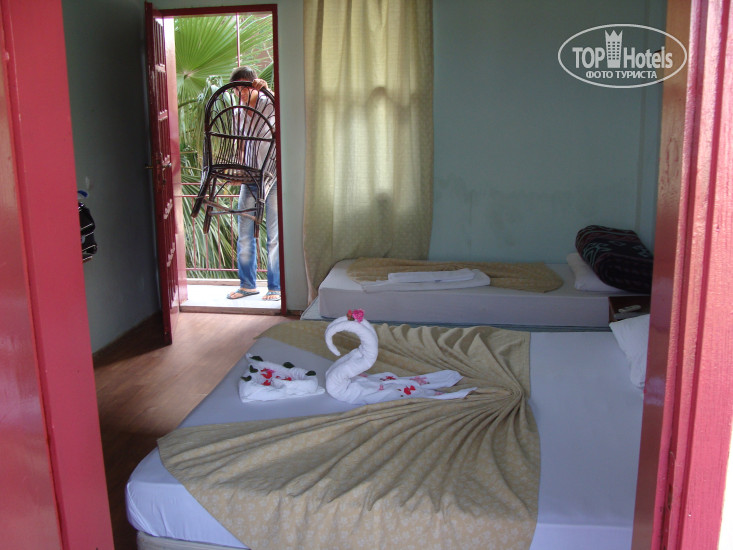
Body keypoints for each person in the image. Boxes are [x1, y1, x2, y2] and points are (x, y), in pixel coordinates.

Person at [226, 66, 280, 301]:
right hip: (249, 178)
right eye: (236, 89)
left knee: (274, 235)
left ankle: (275, 287)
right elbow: (240, 144)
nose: (240, 93)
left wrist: (268, 91)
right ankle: (247, 285)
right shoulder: (238, 113)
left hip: (273, 176)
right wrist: (238, 169)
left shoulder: (270, 103)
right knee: (245, 233)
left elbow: (286, 112)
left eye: (244, 88)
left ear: (254, 85)